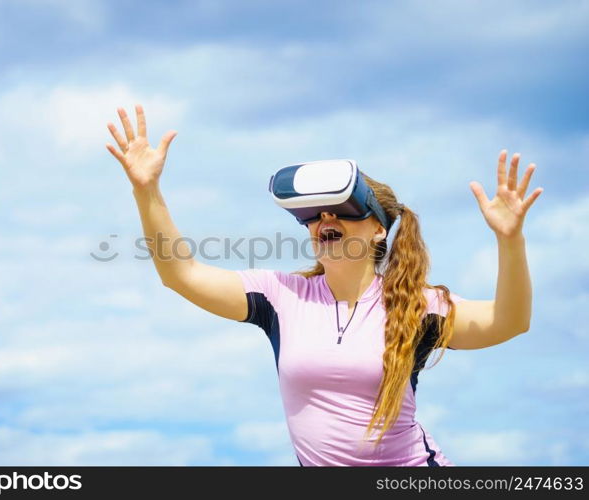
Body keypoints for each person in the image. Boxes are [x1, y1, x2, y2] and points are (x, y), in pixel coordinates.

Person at [105, 104, 542, 466]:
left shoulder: (419, 306)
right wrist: (147, 190)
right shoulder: (280, 297)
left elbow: (511, 321)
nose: (325, 220)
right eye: (314, 214)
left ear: (378, 230)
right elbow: (179, 274)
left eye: (342, 209)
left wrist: (510, 240)